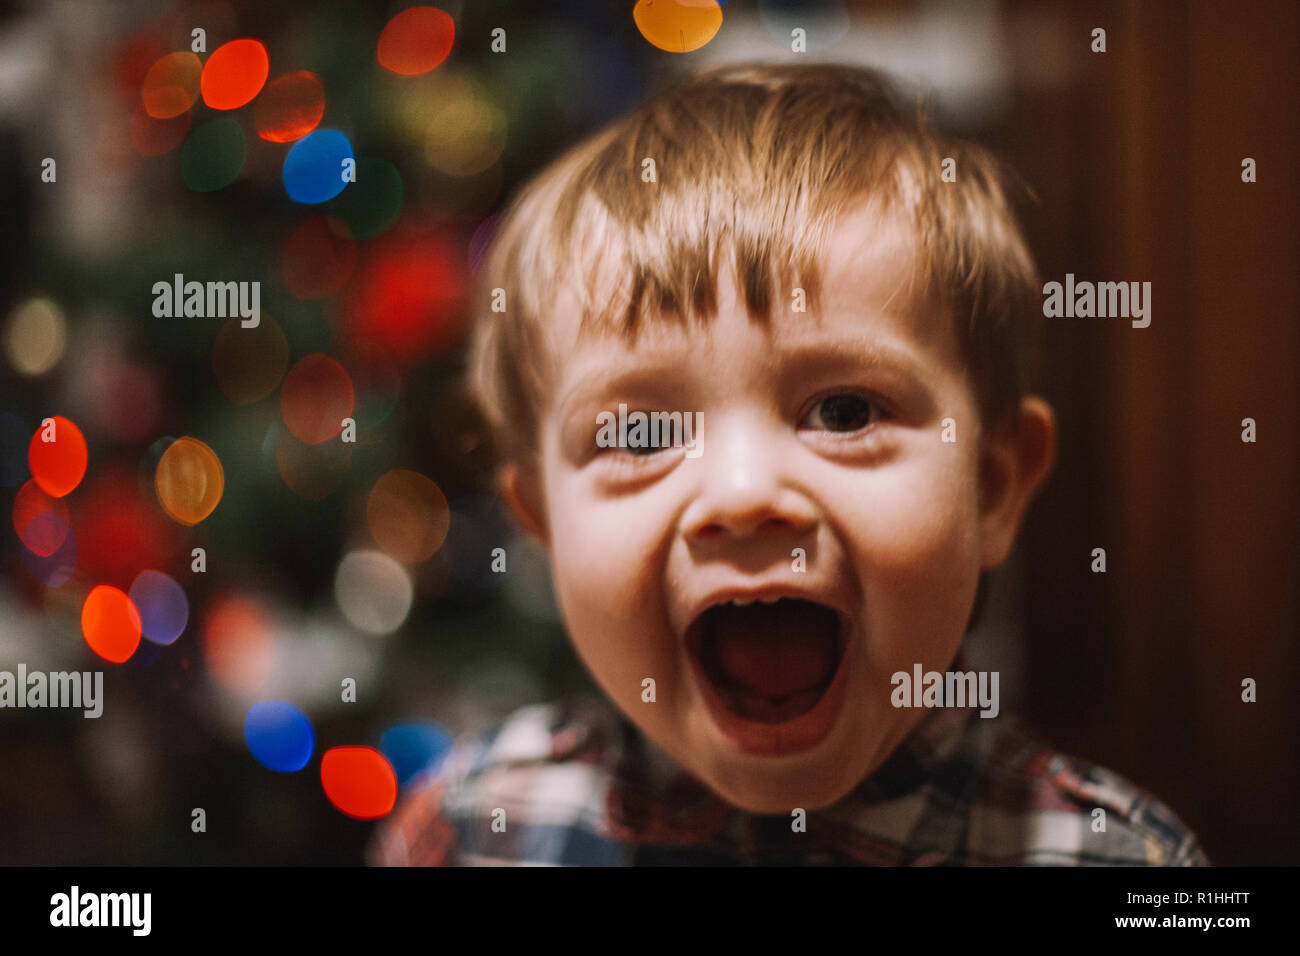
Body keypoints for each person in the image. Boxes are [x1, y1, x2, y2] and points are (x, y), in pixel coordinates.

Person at [369, 62, 1208, 866]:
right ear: (544, 524)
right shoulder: (473, 831)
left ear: (992, 488)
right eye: (640, 435)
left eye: (844, 413)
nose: (743, 494)